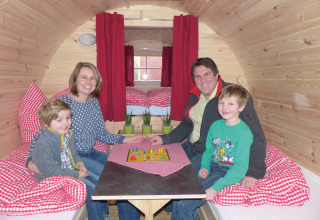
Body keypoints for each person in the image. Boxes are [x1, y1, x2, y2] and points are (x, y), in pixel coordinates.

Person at [26, 62, 144, 220]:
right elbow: (42, 134)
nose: (89, 82)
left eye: (92, 78)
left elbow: (102, 134)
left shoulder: (93, 102)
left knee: (126, 173)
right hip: (77, 156)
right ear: (75, 79)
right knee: (116, 180)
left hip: (92, 152)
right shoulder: (64, 103)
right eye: (84, 77)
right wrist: (29, 162)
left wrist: (125, 139)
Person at [151, 57, 266, 187]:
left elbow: (255, 133)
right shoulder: (195, 95)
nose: (202, 80)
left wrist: (253, 171)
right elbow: (187, 124)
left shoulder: (232, 97)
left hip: (208, 153)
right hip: (190, 146)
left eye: (207, 74)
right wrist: (165, 138)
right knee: (162, 167)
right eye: (197, 76)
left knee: (182, 181)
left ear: (217, 75)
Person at [171, 84, 253, 220]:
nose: (224, 107)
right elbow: (209, 151)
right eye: (221, 102)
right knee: (180, 192)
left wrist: (216, 188)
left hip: (226, 172)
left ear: (241, 107)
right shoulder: (216, 125)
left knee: (186, 204)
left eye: (231, 103)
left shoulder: (244, 133)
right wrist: (205, 166)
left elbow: (240, 168)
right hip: (212, 165)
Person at [31, 99, 107, 220]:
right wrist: (77, 174)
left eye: (68, 118)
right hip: (54, 177)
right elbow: (51, 171)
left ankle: (103, 214)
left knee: (99, 182)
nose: (66, 123)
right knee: (90, 188)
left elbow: (74, 154)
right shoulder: (43, 143)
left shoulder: (68, 134)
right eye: (59, 120)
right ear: (46, 123)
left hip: (69, 170)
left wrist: (80, 165)